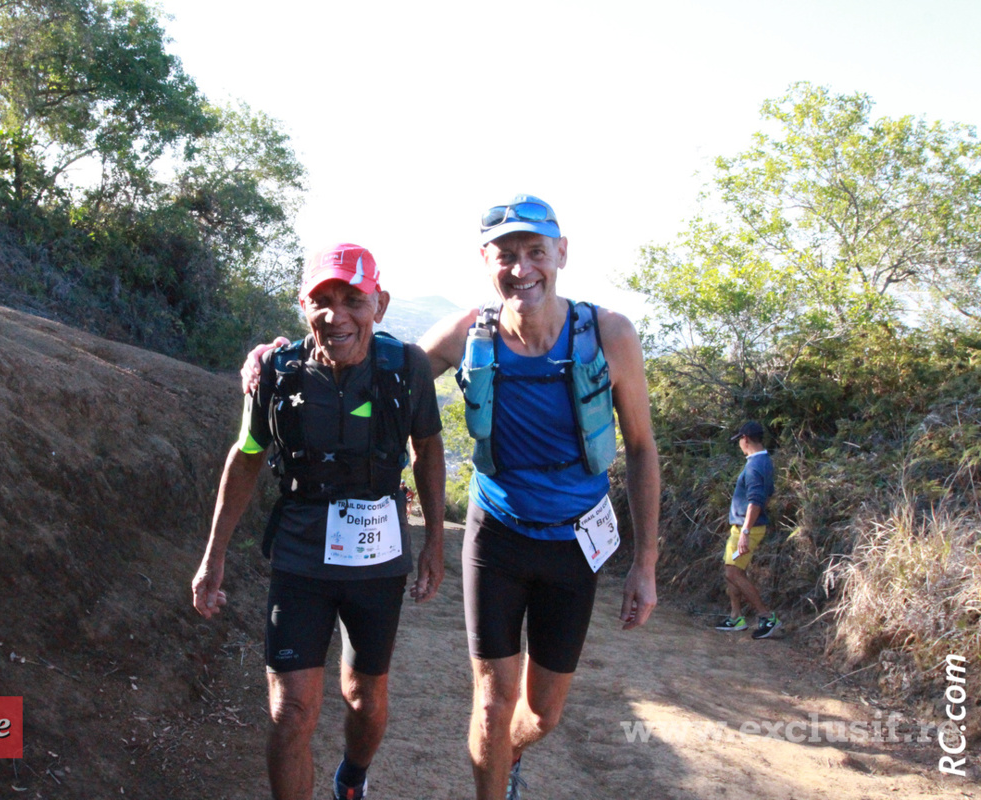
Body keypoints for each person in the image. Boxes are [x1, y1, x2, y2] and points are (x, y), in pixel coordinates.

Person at [241, 195, 659, 800]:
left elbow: (643, 448)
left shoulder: (609, 334)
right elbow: (373, 355)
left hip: (575, 541)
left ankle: (507, 758)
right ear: (486, 261)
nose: (522, 269)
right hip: (497, 534)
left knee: (541, 715)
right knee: (492, 702)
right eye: (507, 255)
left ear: (561, 254)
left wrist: (644, 564)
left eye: (535, 252)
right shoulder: (470, 334)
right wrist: (277, 357)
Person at [193, 243, 446, 800]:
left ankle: (352, 778)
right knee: (291, 711)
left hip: (377, 562)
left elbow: (428, 447)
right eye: (321, 301)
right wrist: (213, 557)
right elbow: (247, 456)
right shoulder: (275, 374)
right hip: (301, 557)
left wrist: (434, 543)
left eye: (353, 299)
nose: (337, 316)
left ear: (379, 303)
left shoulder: (406, 368)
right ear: (303, 306)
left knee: (364, 696)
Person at [715, 420, 780, 639]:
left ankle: (766, 617)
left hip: (747, 529)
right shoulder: (762, 461)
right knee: (732, 570)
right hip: (743, 527)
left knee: (732, 571)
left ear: (745, 439)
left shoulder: (755, 466)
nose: (740, 445)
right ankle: (736, 617)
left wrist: (744, 531)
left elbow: (756, 500)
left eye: (740, 441)